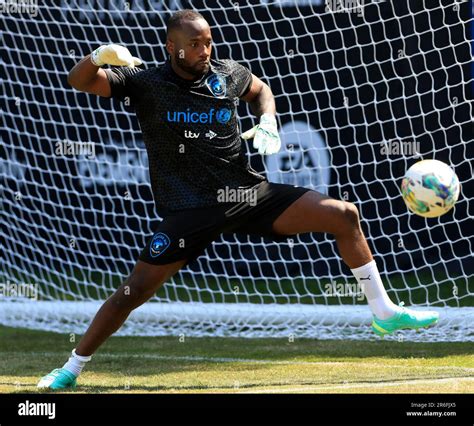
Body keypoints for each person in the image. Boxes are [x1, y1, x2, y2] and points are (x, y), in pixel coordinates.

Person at [37, 9, 438, 390]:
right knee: (134, 290)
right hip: (190, 209)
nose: (204, 51)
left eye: (208, 42)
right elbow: (82, 81)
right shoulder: (145, 82)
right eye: (194, 44)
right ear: (171, 47)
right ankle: (71, 369)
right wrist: (97, 57)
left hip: (247, 193)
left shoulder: (226, 74)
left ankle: (384, 313)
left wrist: (267, 119)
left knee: (343, 215)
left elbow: (261, 90)